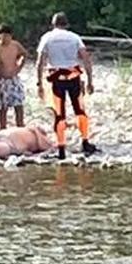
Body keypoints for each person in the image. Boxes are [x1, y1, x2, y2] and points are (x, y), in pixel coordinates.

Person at [35, 12, 98, 160]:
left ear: (53, 24)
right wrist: (89, 80)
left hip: (56, 78)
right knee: (80, 110)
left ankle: (61, 147)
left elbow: (40, 62)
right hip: (73, 76)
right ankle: (85, 141)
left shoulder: (47, 38)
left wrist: (39, 83)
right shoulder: (74, 37)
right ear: (67, 24)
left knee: (59, 113)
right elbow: (86, 59)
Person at [0, 25, 28, 129]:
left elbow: (24, 54)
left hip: (13, 78)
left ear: (11, 35)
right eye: (2, 35)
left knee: (19, 104)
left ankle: (20, 126)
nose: (5, 38)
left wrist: (19, 67)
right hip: (1, 80)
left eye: (7, 35)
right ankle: (2, 128)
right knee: (2, 106)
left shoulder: (15, 45)